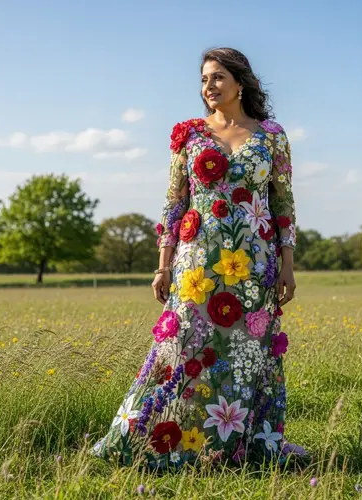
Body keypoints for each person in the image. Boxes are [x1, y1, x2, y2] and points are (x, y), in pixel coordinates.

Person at [92, 47, 305, 469]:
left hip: (255, 266)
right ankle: (156, 440)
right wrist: (163, 265)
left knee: (247, 354)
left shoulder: (271, 136)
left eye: (218, 77)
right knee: (183, 347)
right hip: (196, 265)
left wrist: (287, 265)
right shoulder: (188, 133)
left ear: (240, 83)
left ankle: (240, 447)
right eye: (205, 79)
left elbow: (283, 204)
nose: (209, 87)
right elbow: (174, 202)